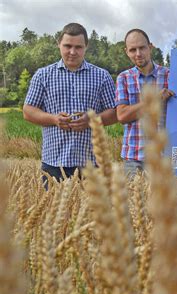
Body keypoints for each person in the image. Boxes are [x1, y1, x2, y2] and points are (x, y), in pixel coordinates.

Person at [23, 23, 116, 183]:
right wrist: (54, 119)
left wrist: (91, 121)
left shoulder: (102, 76)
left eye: (78, 47)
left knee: (92, 209)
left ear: (86, 46)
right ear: (58, 44)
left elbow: (115, 113)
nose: (72, 52)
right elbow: (28, 111)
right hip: (53, 162)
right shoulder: (42, 75)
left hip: (92, 162)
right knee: (52, 208)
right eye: (67, 46)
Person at [115, 29, 175, 178]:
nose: (138, 54)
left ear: (150, 47)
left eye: (142, 48)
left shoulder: (171, 75)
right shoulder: (123, 78)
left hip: (165, 157)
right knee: (134, 201)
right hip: (134, 158)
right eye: (132, 50)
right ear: (126, 52)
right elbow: (122, 116)